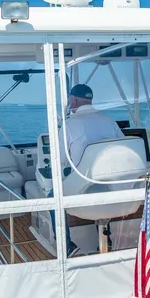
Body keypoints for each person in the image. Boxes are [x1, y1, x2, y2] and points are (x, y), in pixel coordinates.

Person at [51, 84, 124, 256]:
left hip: (83, 187)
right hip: (109, 184)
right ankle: (108, 240)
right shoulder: (109, 121)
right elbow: (123, 148)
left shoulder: (70, 124)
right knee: (101, 188)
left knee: (52, 197)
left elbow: (60, 160)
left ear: (73, 100)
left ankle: (66, 245)